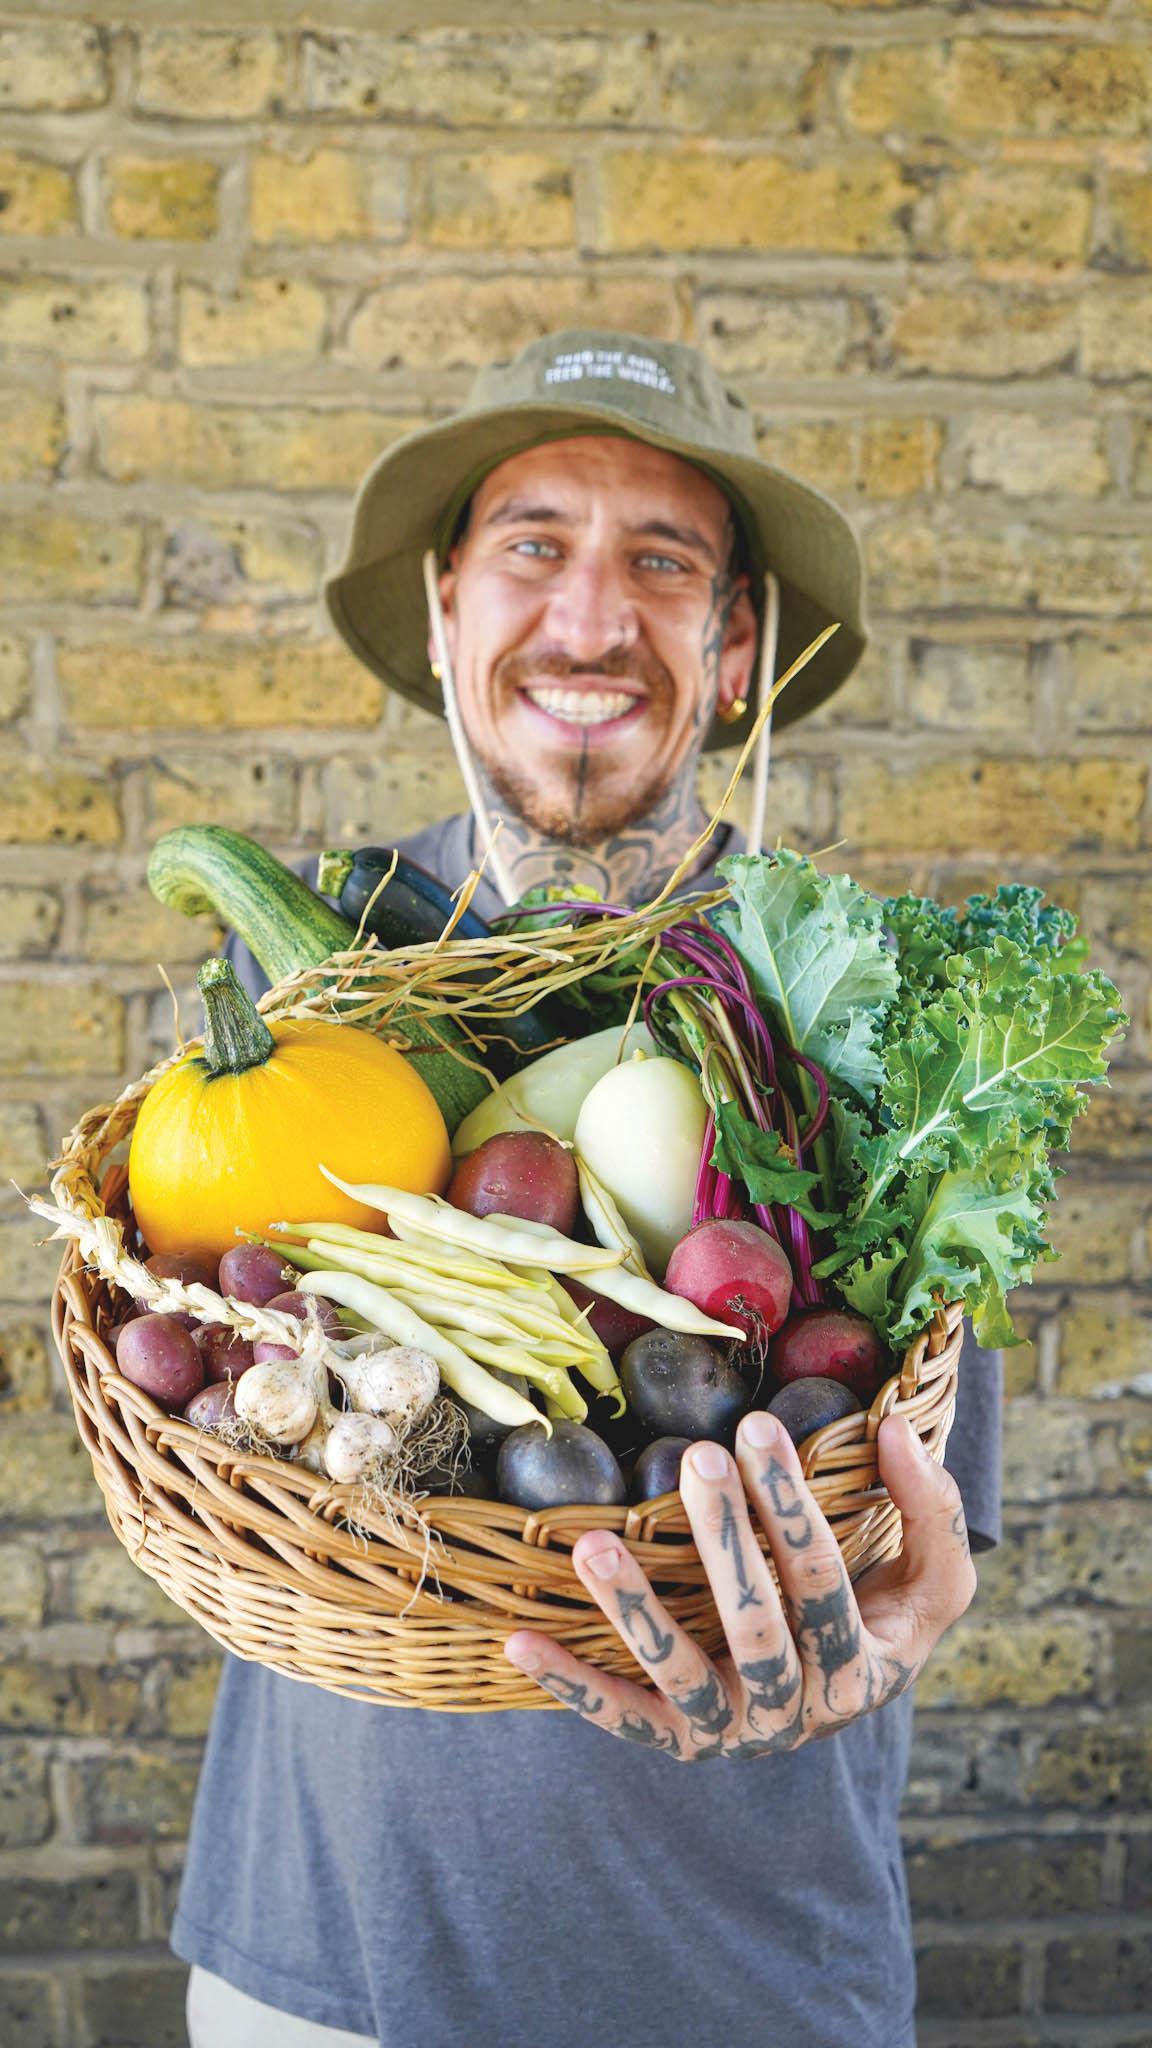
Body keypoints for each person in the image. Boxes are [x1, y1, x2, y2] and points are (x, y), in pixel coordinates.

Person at [175, 331, 1002, 2048]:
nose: (588, 617)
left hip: (747, 1977)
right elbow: (167, 1377)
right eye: (533, 546)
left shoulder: (860, 1020)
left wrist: (909, 1621)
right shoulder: (297, 981)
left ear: (737, 647)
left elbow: (915, 1503)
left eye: (664, 562)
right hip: (319, 1966)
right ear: (444, 610)